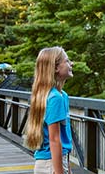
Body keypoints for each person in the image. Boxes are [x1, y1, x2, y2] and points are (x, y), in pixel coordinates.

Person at [24, 46, 74, 174]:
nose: (71, 63)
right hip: (51, 164)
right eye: (67, 61)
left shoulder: (58, 95)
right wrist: (59, 171)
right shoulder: (55, 98)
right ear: (56, 68)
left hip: (49, 161)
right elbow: (55, 139)